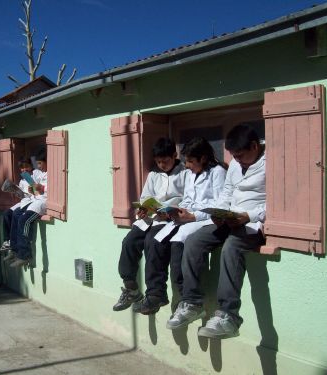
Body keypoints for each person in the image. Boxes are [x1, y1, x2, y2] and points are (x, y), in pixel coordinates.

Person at [166, 123, 266, 339]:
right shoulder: (236, 166)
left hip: (250, 223)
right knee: (193, 241)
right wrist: (219, 213)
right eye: (234, 156)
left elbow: (277, 203)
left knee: (231, 247)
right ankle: (192, 302)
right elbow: (227, 192)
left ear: (254, 146)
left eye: (240, 155)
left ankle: (228, 316)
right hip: (228, 218)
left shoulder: (272, 164)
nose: (237, 160)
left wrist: (249, 216)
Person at [133, 137, 226, 314]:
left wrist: (193, 216)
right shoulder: (191, 174)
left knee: (179, 249)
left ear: (203, 158)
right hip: (185, 218)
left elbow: (220, 206)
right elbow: (189, 199)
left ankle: (189, 300)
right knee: (155, 242)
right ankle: (158, 295)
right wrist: (178, 211)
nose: (187, 165)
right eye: (186, 161)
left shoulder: (218, 172)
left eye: (191, 161)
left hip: (204, 220)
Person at [113, 138, 187, 312]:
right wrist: (144, 208)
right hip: (152, 218)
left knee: (152, 243)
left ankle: (156, 294)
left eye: (165, 161)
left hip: (170, 219)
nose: (162, 164)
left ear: (174, 156)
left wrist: (172, 210)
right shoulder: (153, 174)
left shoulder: (184, 172)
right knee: (129, 243)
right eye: (158, 161)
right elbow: (146, 197)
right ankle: (131, 288)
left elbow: (189, 199)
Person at [5, 147, 48, 268]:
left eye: (40, 163)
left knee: (23, 220)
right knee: (14, 215)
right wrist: (33, 189)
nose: (38, 166)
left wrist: (39, 188)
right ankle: (15, 250)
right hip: (35, 200)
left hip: (42, 202)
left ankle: (24, 255)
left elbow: (48, 190)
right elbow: (36, 188)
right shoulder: (38, 173)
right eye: (37, 163)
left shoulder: (48, 172)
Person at [0, 158, 35, 253]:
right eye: (22, 168)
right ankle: (8, 241)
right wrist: (15, 190)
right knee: (7, 214)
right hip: (24, 201)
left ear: (31, 166)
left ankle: (15, 242)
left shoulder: (35, 175)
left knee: (16, 213)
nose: (24, 170)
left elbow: (36, 191)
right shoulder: (22, 180)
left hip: (33, 202)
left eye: (26, 167)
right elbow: (22, 195)